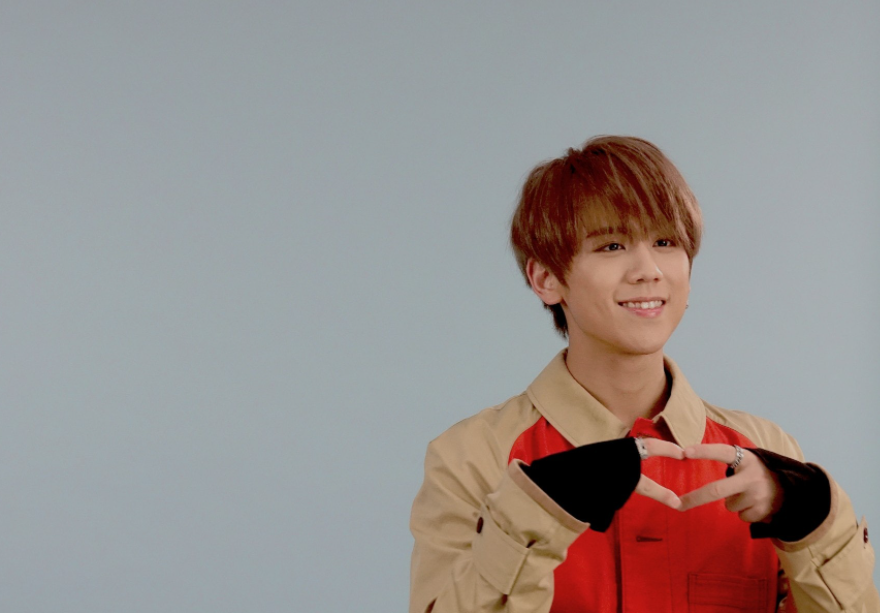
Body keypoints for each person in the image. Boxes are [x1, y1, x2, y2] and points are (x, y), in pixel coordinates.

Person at [409, 136, 879, 613]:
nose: (648, 270)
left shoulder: (764, 451)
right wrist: (532, 513)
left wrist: (814, 523)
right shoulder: (472, 458)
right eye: (612, 245)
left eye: (665, 242)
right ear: (545, 279)